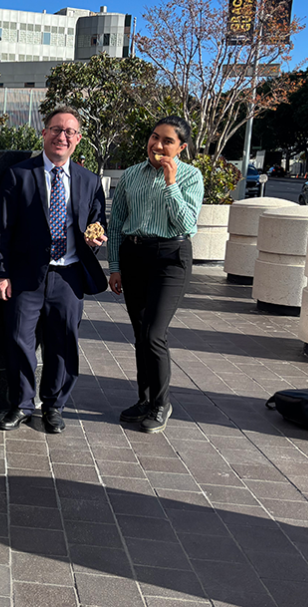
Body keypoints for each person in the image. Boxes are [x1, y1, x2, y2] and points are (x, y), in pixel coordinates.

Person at [0, 106, 109, 434]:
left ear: (78, 139)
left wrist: (95, 238)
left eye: (70, 132)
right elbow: (2, 229)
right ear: (44, 133)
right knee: (19, 340)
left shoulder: (89, 181)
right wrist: (0, 273)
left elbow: (97, 221)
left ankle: (54, 406)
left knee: (63, 343)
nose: (62, 136)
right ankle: (21, 404)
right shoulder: (19, 175)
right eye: (56, 129)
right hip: (25, 275)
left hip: (68, 275)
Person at [107, 115, 204, 434]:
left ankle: (161, 404)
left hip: (170, 258)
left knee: (153, 333)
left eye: (167, 141)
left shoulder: (190, 177)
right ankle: (145, 399)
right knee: (140, 334)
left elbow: (186, 224)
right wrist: (115, 267)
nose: (157, 145)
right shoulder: (131, 175)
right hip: (134, 256)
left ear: (181, 148)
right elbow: (116, 223)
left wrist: (171, 183)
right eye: (154, 137)